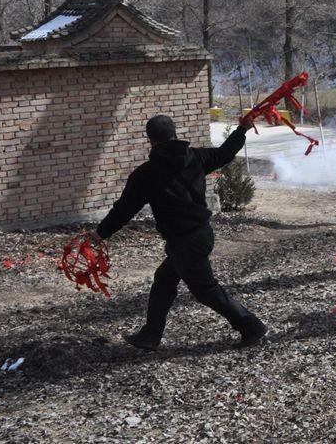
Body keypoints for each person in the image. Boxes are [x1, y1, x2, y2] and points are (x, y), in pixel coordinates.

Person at [91, 114, 267, 350]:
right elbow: (225, 153)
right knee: (164, 280)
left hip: (185, 242)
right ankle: (150, 334)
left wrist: (100, 234)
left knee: (206, 290)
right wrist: (241, 129)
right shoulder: (195, 157)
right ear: (174, 133)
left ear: (150, 140)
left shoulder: (146, 174)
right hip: (199, 235)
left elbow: (124, 210)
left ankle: (251, 326)